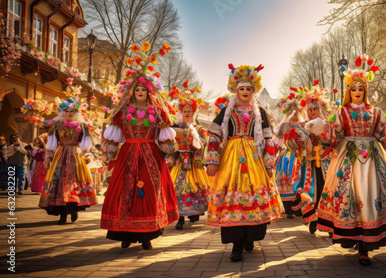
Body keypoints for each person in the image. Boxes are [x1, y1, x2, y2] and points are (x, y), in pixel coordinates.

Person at [307, 56, 386, 266]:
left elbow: (382, 133)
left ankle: (366, 246)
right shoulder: (342, 112)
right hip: (347, 160)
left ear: (365, 91)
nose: (357, 92)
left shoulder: (376, 112)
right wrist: (321, 128)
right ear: (349, 92)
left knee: (371, 195)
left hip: (373, 160)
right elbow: (335, 135)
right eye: (354, 89)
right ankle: (355, 237)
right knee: (350, 195)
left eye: (361, 89)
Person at [101, 42, 178, 250]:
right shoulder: (122, 111)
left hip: (151, 156)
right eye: (137, 89)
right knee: (123, 192)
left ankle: (146, 236)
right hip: (127, 154)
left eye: (144, 88)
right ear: (132, 91)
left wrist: (170, 149)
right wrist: (109, 152)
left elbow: (165, 138)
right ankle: (125, 233)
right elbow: (114, 137)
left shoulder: (158, 112)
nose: (140, 92)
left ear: (149, 91)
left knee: (150, 193)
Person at [206, 64, 283, 262]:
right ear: (235, 89)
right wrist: (212, 160)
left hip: (254, 158)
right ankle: (236, 245)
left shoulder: (261, 112)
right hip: (230, 158)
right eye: (242, 88)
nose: (246, 92)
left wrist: (268, 163)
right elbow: (214, 134)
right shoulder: (227, 111)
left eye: (249, 88)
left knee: (252, 194)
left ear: (254, 90)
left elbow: (268, 140)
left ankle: (250, 237)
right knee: (232, 198)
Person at [39, 98, 98, 224]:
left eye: (72, 111)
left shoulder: (82, 126)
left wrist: (88, 155)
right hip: (60, 156)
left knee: (73, 184)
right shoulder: (57, 126)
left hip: (76, 157)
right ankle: (63, 215)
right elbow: (52, 144)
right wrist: (49, 156)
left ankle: (74, 209)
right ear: (64, 113)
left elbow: (86, 144)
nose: (70, 113)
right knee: (60, 184)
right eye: (67, 111)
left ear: (76, 113)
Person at [291, 82, 332, 234]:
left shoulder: (327, 125)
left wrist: (322, 134)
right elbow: (294, 146)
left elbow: (331, 142)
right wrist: (294, 139)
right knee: (310, 192)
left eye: (315, 108)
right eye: (310, 109)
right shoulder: (303, 126)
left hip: (325, 164)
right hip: (309, 166)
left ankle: (327, 222)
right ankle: (313, 220)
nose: (313, 111)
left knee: (326, 191)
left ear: (320, 109)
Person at [167, 85, 210, 230]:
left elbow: (203, 145)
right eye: (184, 111)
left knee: (192, 187)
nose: (187, 113)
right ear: (181, 112)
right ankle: (180, 218)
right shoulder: (176, 127)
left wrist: (198, 156)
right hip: (180, 163)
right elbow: (172, 145)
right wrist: (171, 158)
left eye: (189, 111)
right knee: (178, 188)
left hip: (193, 164)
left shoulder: (198, 129)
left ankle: (193, 213)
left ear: (193, 112)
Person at [273, 90, 306, 219]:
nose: (293, 113)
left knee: (299, 178)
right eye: (291, 111)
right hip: (286, 156)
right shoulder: (284, 126)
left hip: (300, 155)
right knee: (285, 178)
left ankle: (298, 207)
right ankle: (287, 208)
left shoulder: (304, 125)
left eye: (296, 110)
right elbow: (276, 142)